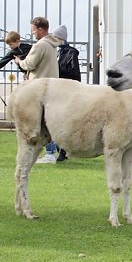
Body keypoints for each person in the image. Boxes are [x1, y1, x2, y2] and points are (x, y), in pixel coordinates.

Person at [14, 17, 63, 164]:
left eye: (34, 30)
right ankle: (50, 152)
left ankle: (49, 153)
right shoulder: (52, 45)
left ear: (40, 29)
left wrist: (19, 62)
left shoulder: (41, 45)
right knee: (46, 121)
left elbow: (30, 63)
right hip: (50, 86)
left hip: (39, 88)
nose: (33, 33)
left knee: (42, 122)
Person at [50, 24, 81, 162]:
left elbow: (75, 73)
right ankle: (59, 150)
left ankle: (63, 151)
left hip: (67, 92)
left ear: (61, 38)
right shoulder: (55, 52)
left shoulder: (71, 53)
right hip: (57, 91)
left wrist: (57, 70)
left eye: (55, 37)